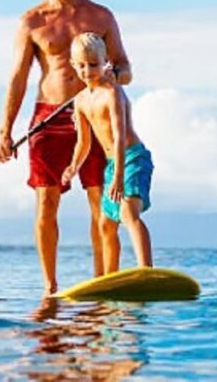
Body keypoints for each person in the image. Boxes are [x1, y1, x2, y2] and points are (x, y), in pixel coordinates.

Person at [0, 0, 132, 296]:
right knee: (46, 202)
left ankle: (104, 282)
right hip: (47, 118)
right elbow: (18, 78)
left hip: (93, 114)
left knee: (102, 202)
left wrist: (110, 76)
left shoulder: (100, 16)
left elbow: (126, 67)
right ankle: (50, 287)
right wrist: (4, 132)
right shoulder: (32, 21)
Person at [62, 33, 153, 275]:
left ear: (105, 63)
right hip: (113, 164)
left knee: (127, 212)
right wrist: (73, 167)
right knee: (105, 224)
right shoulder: (80, 101)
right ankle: (109, 277)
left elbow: (120, 136)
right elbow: (84, 142)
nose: (87, 70)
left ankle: (146, 271)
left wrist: (119, 177)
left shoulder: (112, 93)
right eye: (81, 65)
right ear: (73, 64)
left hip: (132, 158)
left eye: (94, 64)